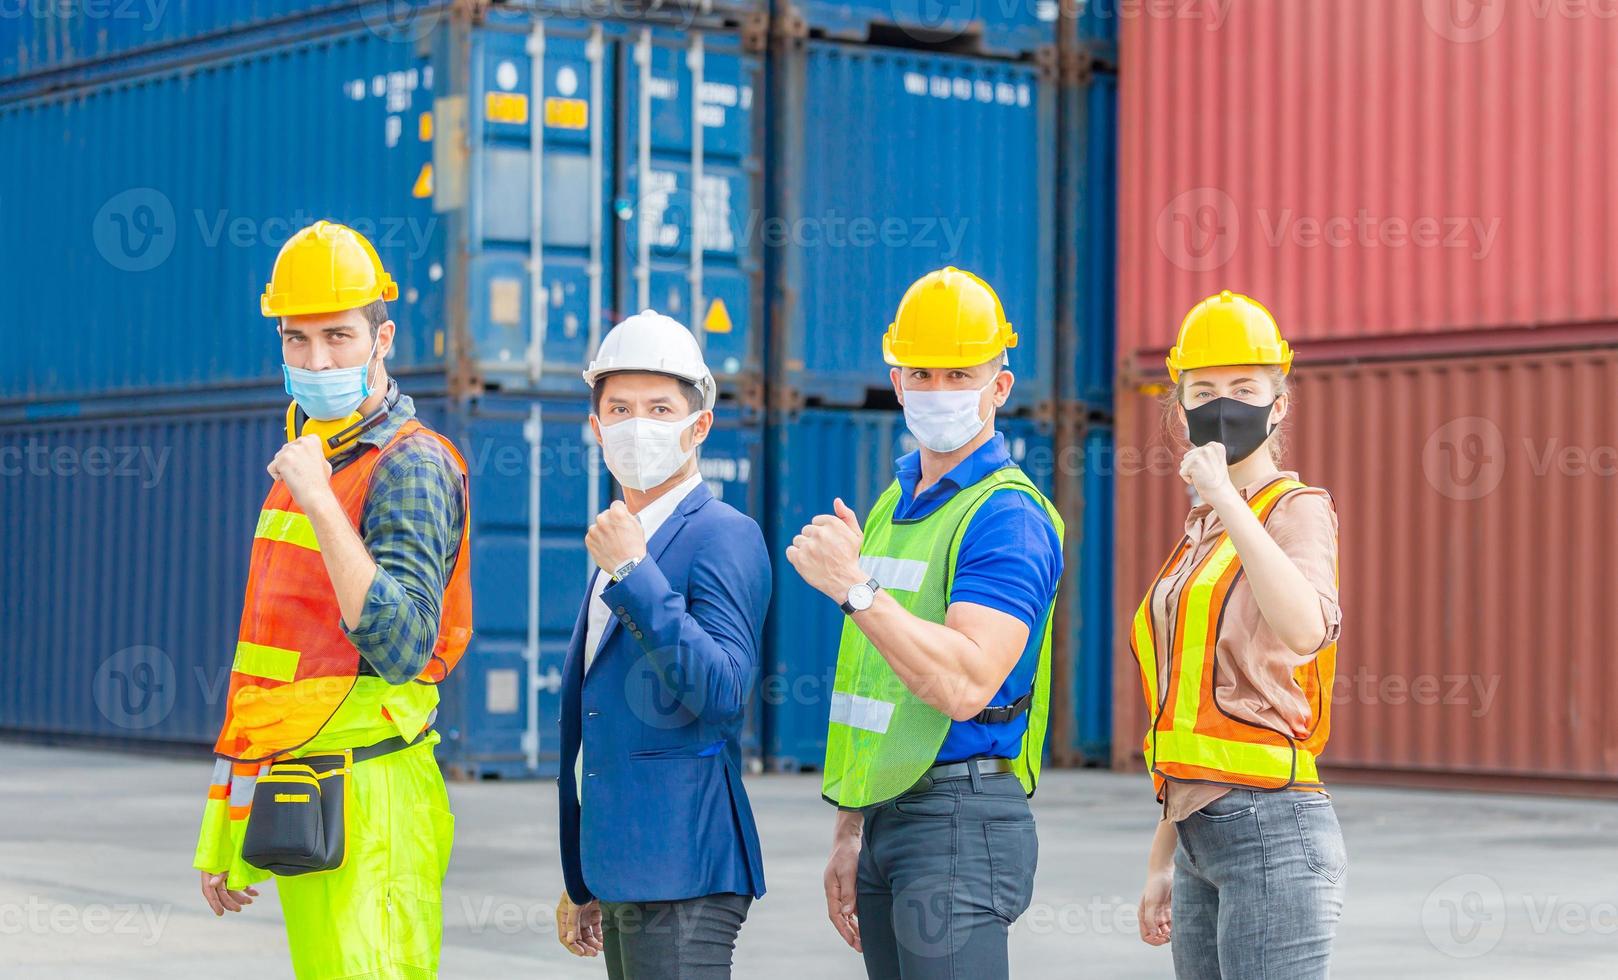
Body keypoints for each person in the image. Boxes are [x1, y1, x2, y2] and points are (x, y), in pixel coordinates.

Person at [194, 220, 473, 978]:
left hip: (374, 799)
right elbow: (273, 670)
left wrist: (320, 502)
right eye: (297, 339)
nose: (317, 360)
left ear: (384, 338)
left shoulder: (407, 466)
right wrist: (227, 823)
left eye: (340, 337)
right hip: (307, 792)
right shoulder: (315, 457)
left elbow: (405, 644)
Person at [785, 267, 1064, 980]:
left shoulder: (1007, 515)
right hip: (890, 819)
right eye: (922, 373)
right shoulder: (894, 503)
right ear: (897, 379)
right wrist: (851, 828)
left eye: (960, 373)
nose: (939, 391)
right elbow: (874, 688)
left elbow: (968, 681)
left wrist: (855, 587)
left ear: (1000, 386)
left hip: (961, 820)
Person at [1132, 290, 1346, 978]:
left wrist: (1226, 495)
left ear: (1278, 404)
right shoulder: (1198, 535)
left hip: (1273, 827)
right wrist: (1164, 859)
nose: (1223, 403)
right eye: (1204, 389)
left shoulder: (1296, 510)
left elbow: (1307, 628)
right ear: (1183, 406)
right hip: (1199, 835)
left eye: (1244, 387)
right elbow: (1186, 712)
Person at [553, 310, 770, 979]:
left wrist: (633, 574)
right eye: (619, 408)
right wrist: (585, 873)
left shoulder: (722, 534)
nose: (636, 424)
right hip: (628, 865)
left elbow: (724, 693)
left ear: (698, 425)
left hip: (685, 864)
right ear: (596, 429)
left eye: (658, 407)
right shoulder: (620, 539)